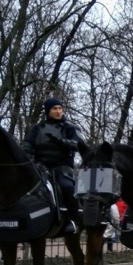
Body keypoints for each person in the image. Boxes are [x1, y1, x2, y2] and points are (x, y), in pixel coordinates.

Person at [22, 96, 85, 234]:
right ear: (48, 111)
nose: (58, 111)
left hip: (61, 167)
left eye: (60, 108)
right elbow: (27, 143)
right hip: (40, 167)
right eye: (54, 109)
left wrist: (62, 142)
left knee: (67, 187)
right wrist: (26, 153)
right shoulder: (37, 128)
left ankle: (73, 220)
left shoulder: (69, 127)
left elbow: (79, 145)